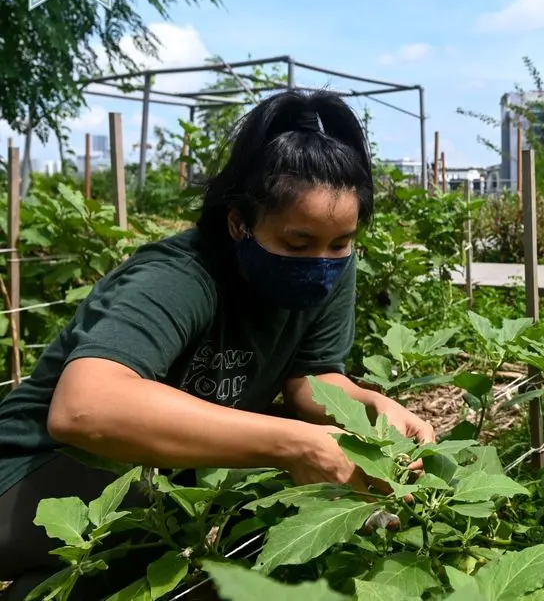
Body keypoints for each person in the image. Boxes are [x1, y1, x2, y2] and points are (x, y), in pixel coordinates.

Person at [0, 90, 434, 598]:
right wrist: (295, 444)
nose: (322, 261)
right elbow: (86, 409)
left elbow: (309, 381)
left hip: (153, 483)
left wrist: (368, 406)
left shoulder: (334, 272)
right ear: (238, 223)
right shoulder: (179, 277)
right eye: (298, 244)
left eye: (340, 244)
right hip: (36, 469)